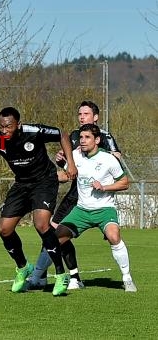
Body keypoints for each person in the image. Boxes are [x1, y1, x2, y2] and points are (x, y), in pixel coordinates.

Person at [28, 100, 122, 290]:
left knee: (57, 234)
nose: (81, 117)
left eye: (86, 114)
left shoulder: (104, 136)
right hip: (74, 195)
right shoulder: (73, 136)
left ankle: (68, 277)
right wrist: (62, 159)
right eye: (80, 114)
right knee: (51, 232)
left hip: (96, 198)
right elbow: (70, 165)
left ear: (95, 117)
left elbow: (116, 158)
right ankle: (55, 276)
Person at [0, 107, 77, 296]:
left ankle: (61, 274)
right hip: (22, 185)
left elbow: (62, 134)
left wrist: (70, 163)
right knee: (4, 229)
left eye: (8, 126)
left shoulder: (34, 132)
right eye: (1, 126)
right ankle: (23, 267)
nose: (4, 130)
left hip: (44, 182)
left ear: (18, 125)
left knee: (42, 224)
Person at [55, 123, 136, 292]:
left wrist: (104, 187)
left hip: (105, 210)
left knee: (114, 236)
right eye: (81, 137)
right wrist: (50, 176)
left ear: (97, 140)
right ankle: (75, 277)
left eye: (87, 137)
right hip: (81, 210)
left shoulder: (108, 159)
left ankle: (127, 278)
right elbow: (66, 175)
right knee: (58, 237)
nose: (82, 141)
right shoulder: (75, 155)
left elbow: (124, 183)